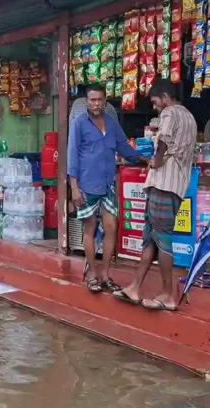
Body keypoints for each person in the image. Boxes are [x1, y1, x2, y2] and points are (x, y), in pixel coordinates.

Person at [114, 80, 197, 311]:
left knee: (162, 238)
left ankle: (168, 295)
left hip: (164, 184)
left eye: (155, 101)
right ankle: (134, 288)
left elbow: (164, 141)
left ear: (165, 97)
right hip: (174, 185)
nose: (155, 106)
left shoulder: (170, 113)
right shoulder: (190, 117)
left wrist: (157, 160)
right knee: (151, 237)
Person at [67, 84, 149, 294]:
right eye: (92, 100)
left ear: (105, 101)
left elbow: (124, 147)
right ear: (87, 102)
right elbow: (72, 156)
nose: (96, 104)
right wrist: (74, 187)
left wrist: (144, 159)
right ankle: (92, 275)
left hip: (107, 184)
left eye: (100, 100)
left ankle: (105, 274)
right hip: (87, 184)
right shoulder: (78, 124)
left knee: (111, 227)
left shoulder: (111, 123)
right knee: (90, 228)